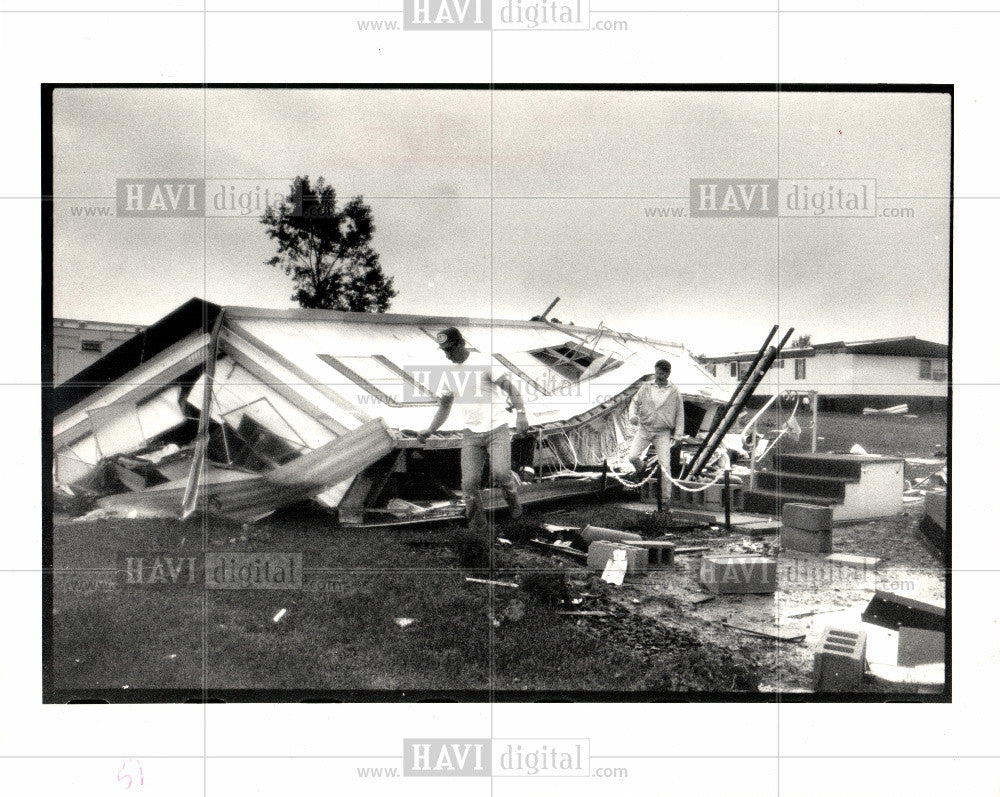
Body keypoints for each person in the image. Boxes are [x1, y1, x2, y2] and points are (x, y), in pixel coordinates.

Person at [417, 327, 528, 532]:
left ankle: (515, 507)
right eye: (444, 351)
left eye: (450, 349)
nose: (448, 355)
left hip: (497, 428)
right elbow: (445, 406)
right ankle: (478, 528)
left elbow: (511, 389)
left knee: (502, 474)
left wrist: (521, 413)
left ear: (461, 344)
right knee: (468, 485)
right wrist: (430, 429)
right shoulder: (449, 374)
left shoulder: (483, 362)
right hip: (471, 434)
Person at [627, 359, 685, 504]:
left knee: (665, 465)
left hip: (663, 432)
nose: (658, 376)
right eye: (657, 372)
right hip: (645, 429)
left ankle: (665, 499)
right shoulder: (646, 387)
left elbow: (680, 413)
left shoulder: (674, 391)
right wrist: (633, 416)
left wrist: (678, 434)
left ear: (668, 374)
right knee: (632, 456)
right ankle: (643, 468)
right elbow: (634, 403)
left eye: (662, 374)